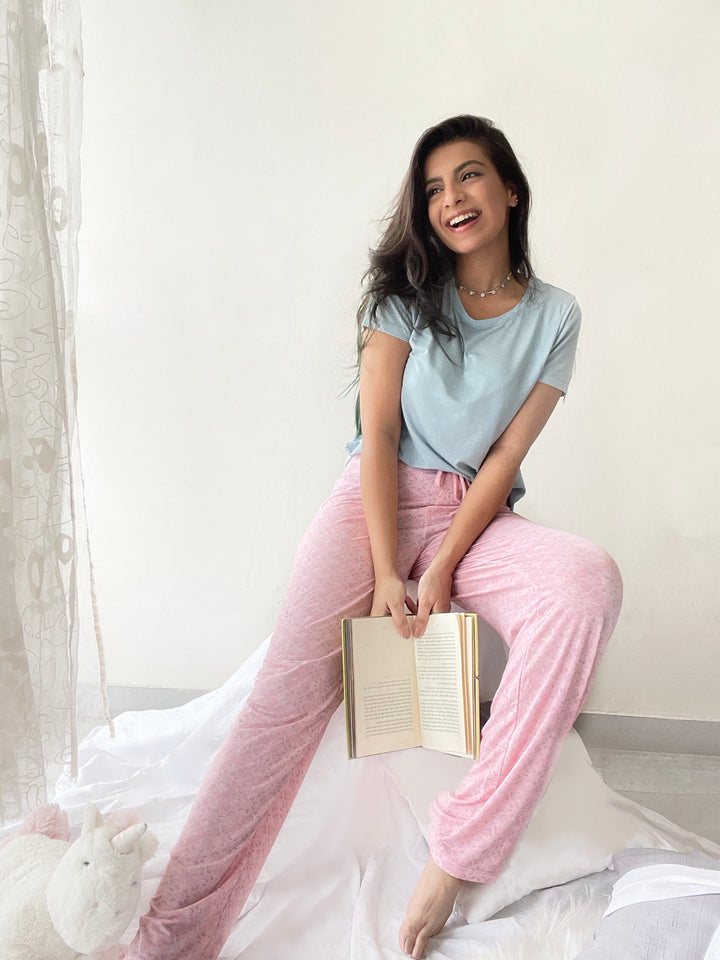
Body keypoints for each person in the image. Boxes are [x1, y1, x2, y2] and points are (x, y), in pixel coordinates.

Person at [123, 115, 623, 960]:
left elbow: (505, 454)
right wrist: (392, 568)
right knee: (279, 706)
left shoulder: (557, 316)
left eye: (469, 176)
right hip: (371, 505)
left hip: (475, 513)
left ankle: (461, 850)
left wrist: (447, 565)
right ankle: (171, 937)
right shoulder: (401, 299)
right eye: (433, 188)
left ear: (510, 189)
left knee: (587, 582)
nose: (451, 198)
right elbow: (381, 437)